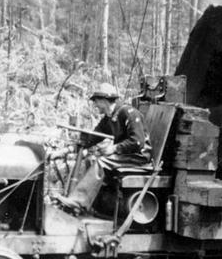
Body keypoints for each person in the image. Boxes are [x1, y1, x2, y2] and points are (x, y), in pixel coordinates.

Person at [56, 83, 152, 214]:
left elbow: (138, 141)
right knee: (91, 159)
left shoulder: (128, 113)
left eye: (96, 102)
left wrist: (115, 148)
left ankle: (77, 202)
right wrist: (69, 150)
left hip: (139, 157)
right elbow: (92, 138)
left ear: (104, 100)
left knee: (101, 162)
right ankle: (92, 205)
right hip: (125, 155)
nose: (95, 105)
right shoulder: (109, 118)